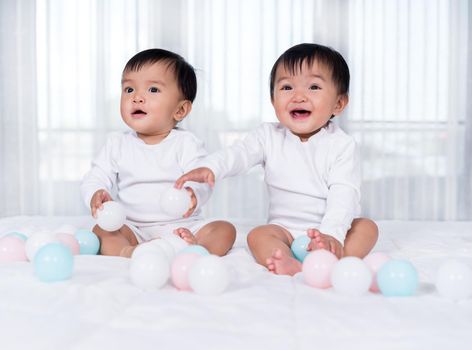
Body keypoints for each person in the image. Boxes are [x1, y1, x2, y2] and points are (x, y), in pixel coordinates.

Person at [175, 43, 378, 275]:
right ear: (273, 101)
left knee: (366, 228)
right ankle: (291, 262)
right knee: (258, 235)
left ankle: (332, 258)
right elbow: (238, 154)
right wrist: (210, 168)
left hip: (331, 229)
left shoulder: (342, 145)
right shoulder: (268, 136)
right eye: (287, 87)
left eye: (313, 87)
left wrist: (331, 234)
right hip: (285, 231)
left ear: (338, 103)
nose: (298, 96)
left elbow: (345, 194)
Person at [81, 48, 236, 258]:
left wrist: (193, 195)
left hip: (182, 226)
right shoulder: (117, 143)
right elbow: (95, 176)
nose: (136, 97)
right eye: (128, 90)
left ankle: (197, 248)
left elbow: (201, 177)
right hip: (132, 228)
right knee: (101, 230)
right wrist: (96, 194)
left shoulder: (186, 143)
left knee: (224, 229)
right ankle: (129, 251)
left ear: (180, 110)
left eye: (153, 90)